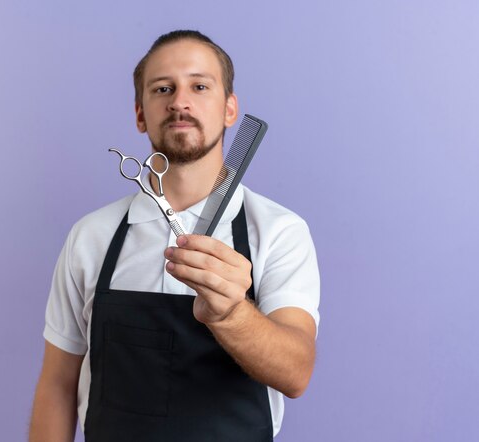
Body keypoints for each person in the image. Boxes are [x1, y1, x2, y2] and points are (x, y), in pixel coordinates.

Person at [29, 30, 320, 442]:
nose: (180, 101)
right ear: (140, 114)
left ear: (230, 108)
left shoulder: (277, 231)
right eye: (163, 88)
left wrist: (231, 315)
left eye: (199, 86)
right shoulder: (91, 237)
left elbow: (296, 373)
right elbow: (58, 384)